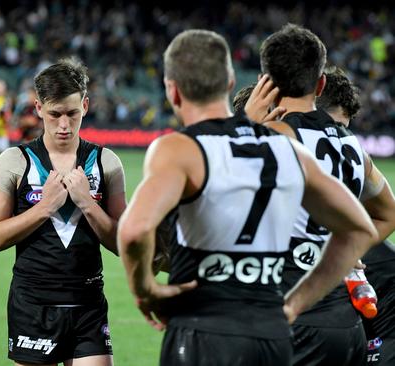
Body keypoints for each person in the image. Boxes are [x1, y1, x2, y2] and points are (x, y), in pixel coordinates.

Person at [117, 29, 379, 366]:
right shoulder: (288, 150)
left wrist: (145, 291)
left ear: (172, 90)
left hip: (204, 329)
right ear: (229, 82)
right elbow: (360, 229)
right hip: (272, 333)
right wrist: (296, 304)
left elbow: (134, 231)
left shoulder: (179, 149)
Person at [244, 25, 395, 365]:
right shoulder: (353, 146)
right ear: (321, 83)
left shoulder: (267, 140)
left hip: (288, 320)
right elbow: (388, 214)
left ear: (264, 82)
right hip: (346, 323)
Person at [0, 58, 126, 366]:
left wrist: (87, 203)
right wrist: (44, 207)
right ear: (38, 108)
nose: (64, 124)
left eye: (72, 113)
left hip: (87, 302)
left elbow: (122, 244)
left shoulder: (106, 162)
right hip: (33, 303)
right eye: (54, 114)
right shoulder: (15, 161)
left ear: (85, 105)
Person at [316, 65, 395, 366]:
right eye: (335, 126)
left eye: (344, 129)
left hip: (381, 306)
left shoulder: (350, 154)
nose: (339, 137)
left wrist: (348, 251)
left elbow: (389, 213)